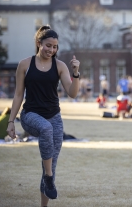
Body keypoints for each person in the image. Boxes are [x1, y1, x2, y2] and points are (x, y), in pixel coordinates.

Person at [6, 25, 80, 206]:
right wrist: (10, 122)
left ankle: (45, 195)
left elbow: (72, 93)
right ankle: (49, 177)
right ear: (39, 43)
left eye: (55, 47)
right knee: (46, 131)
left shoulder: (60, 66)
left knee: (50, 166)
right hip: (30, 115)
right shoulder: (25, 64)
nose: (51, 50)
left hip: (54, 116)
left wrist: (76, 73)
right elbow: (18, 95)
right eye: (48, 45)